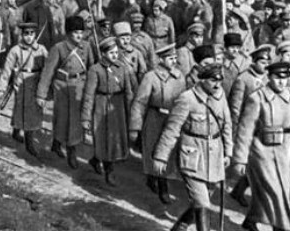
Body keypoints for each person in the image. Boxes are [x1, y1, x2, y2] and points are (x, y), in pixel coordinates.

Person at [153, 63, 233, 231]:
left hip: (214, 157)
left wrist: (228, 152)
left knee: (203, 199)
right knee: (203, 203)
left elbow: (227, 125)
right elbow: (172, 129)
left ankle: (180, 226)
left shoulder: (220, 96)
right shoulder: (187, 98)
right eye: (213, 81)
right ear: (202, 80)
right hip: (192, 157)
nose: (217, 85)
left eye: (220, 81)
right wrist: (161, 156)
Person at [232, 62, 290, 231]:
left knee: (282, 190)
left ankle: (252, 219)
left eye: (285, 78)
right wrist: (240, 160)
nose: (281, 82)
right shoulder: (257, 98)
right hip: (260, 150)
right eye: (277, 78)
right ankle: (283, 227)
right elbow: (245, 130)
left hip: (284, 148)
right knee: (274, 190)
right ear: (269, 77)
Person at [130, 43, 186, 204]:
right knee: (153, 151)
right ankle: (157, 182)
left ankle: (162, 184)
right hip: (154, 118)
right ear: (161, 59)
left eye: (175, 58)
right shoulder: (151, 77)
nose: (173, 61)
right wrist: (135, 126)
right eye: (170, 58)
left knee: (168, 152)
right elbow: (140, 102)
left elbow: (184, 100)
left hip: (173, 119)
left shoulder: (179, 77)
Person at [36, 15, 95, 169]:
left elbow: (91, 68)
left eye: (81, 32)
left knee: (75, 120)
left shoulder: (87, 47)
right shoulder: (59, 48)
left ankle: (71, 151)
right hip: (62, 86)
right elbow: (48, 72)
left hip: (79, 87)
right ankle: (57, 142)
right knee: (61, 117)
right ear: (68, 33)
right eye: (75, 32)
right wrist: (41, 94)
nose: (79, 36)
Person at [81, 36, 133, 186]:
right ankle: (109, 172)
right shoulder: (95, 70)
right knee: (104, 138)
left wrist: (131, 110)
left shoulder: (121, 68)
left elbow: (128, 90)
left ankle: (96, 160)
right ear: (103, 53)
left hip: (117, 107)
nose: (115, 56)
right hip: (101, 106)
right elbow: (89, 94)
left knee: (116, 139)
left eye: (116, 52)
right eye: (111, 53)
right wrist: (85, 118)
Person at [0, 22, 48, 156]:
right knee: (21, 108)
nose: (29, 37)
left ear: (35, 35)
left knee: (33, 112)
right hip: (21, 81)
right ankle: (22, 137)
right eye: (26, 34)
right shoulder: (15, 50)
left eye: (31, 34)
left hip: (36, 82)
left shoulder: (41, 49)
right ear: (22, 34)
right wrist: (1, 88)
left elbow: (48, 68)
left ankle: (24, 137)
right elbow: (6, 70)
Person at [227, 44, 271, 208]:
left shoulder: (267, 78)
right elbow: (235, 107)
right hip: (247, 127)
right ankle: (242, 192)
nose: (265, 65)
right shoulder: (243, 79)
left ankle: (239, 190)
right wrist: (235, 130)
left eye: (267, 62)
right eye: (262, 62)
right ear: (254, 61)